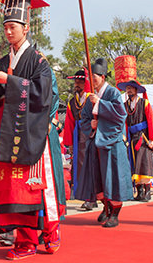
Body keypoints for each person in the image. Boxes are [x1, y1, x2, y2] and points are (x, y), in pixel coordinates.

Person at [0, 0, 66, 259]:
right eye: (5, 27)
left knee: (37, 186)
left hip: (30, 131)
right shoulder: (2, 61)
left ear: (26, 28)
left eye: (13, 27)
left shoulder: (39, 62)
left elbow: (43, 94)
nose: (8, 32)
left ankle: (50, 232)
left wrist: (10, 81)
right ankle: (24, 241)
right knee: (13, 189)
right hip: (5, 133)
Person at [76, 57, 133, 228]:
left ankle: (114, 213)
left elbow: (120, 116)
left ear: (102, 77)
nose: (92, 80)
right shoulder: (91, 96)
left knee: (113, 178)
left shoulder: (113, 93)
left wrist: (100, 104)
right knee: (98, 179)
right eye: (90, 77)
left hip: (112, 143)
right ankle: (105, 207)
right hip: (96, 142)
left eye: (94, 77)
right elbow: (84, 118)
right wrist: (91, 125)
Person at [119, 79, 153, 202]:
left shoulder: (144, 103)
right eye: (127, 88)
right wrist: (124, 136)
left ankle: (148, 192)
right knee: (134, 164)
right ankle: (139, 192)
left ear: (136, 90)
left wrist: (151, 139)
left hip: (143, 136)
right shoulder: (125, 105)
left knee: (144, 163)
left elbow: (150, 120)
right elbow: (123, 122)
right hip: (131, 138)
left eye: (131, 88)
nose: (129, 90)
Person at [62, 69, 95, 210]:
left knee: (91, 166)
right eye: (75, 82)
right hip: (78, 137)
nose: (77, 84)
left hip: (91, 135)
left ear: (86, 83)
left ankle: (92, 197)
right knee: (81, 167)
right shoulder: (72, 102)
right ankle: (87, 197)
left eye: (80, 82)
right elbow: (69, 123)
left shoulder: (91, 98)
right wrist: (69, 143)